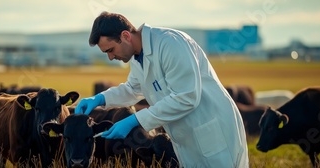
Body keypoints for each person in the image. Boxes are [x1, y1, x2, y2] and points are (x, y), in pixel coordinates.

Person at [75, 11, 249, 168]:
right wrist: (99, 100)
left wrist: (135, 120)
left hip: (212, 130)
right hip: (187, 139)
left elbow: (186, 97)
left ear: (126, 35)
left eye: (111, 50)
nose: (111, 57)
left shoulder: (170, 43)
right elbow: (132, 89)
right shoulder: (137, 59)